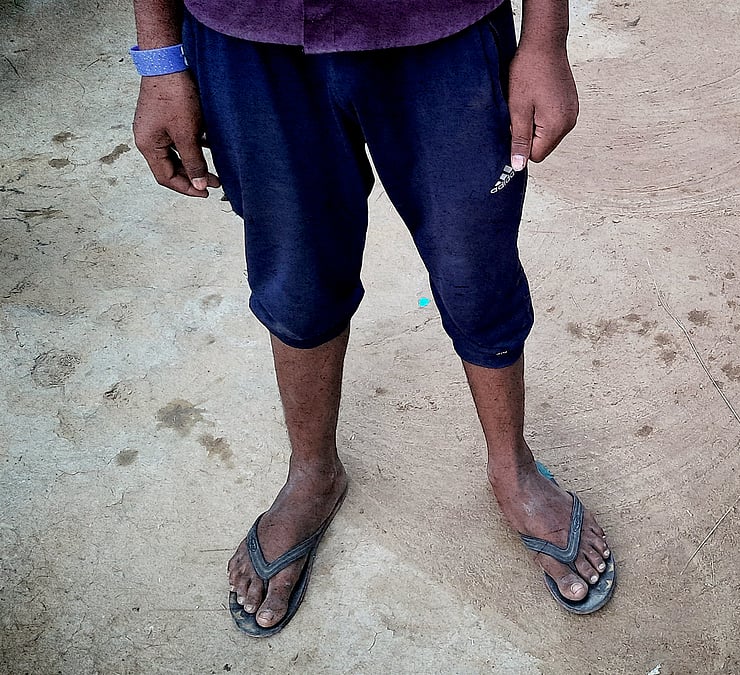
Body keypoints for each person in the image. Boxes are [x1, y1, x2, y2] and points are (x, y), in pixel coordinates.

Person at [131, 0, 615, 635]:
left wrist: (546, 39)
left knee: (477, 269)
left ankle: (511, 465)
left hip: (445, 29)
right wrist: (160, 58)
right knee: (297, 278)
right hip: (251, 38)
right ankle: (312, 473)